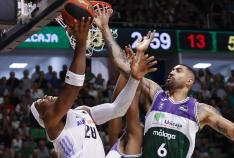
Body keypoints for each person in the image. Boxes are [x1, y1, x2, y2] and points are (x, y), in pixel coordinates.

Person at [95, 6, 234, 158]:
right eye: (172, 69)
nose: (172, 71)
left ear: (189, 81)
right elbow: (120, 62)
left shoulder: (201, 110)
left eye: (178, 70)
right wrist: (105, 28)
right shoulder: (155, 94)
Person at [30, 17, 157, 158]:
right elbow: (72, 88)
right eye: (41, 101)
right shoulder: (51, 123)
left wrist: (134, 78)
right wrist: (81, 41)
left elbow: (118, 109)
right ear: (42, 116)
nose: (46, 96)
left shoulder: (83, 112)